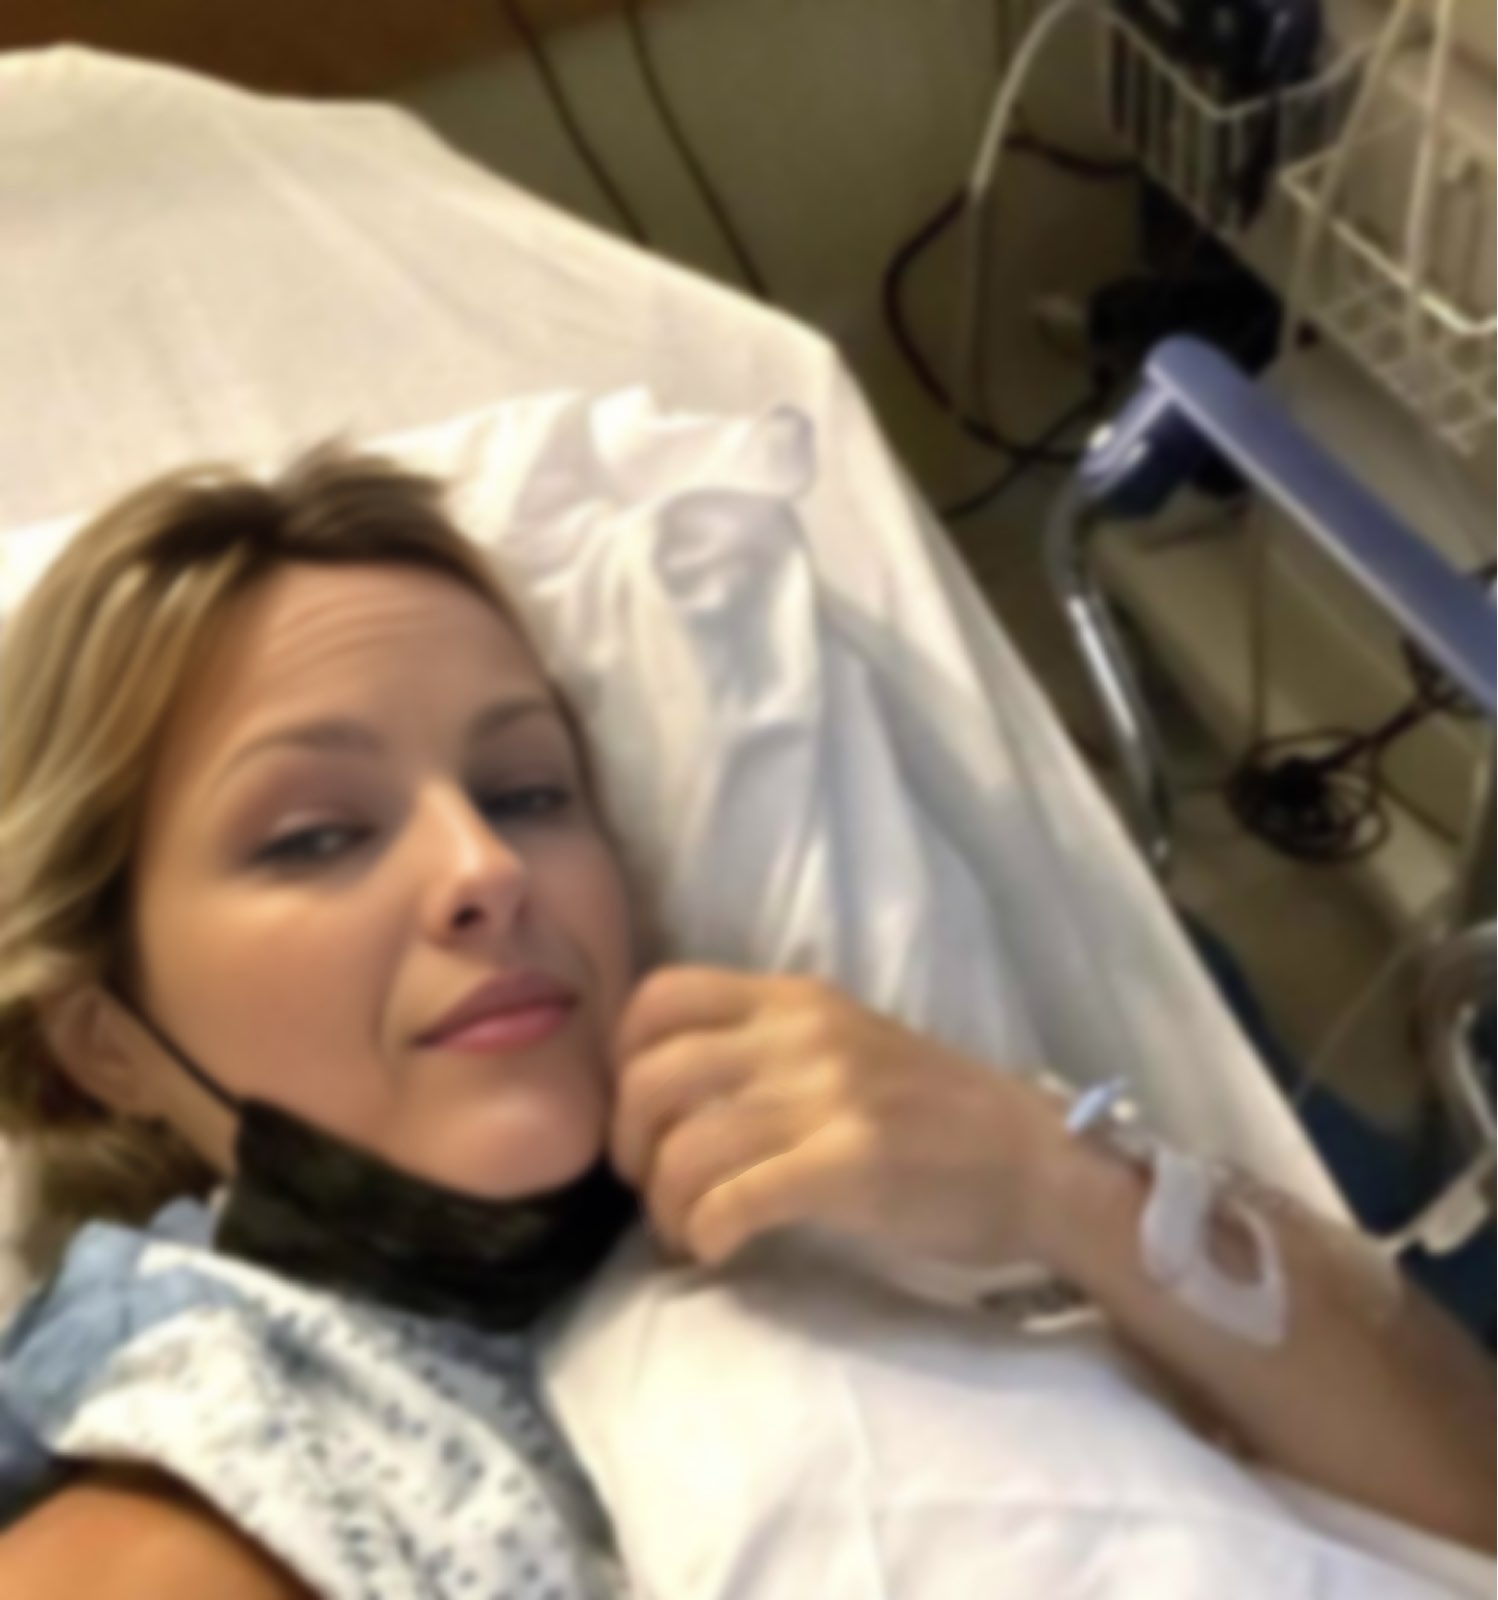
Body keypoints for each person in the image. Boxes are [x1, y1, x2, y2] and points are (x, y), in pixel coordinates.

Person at [0, 453, 1489, 1599]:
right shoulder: (229, 1462)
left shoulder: (886, 1171)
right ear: (103, 1039)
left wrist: (1058, 1177)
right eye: (317, 834)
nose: (485, 868)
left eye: (526, 791)